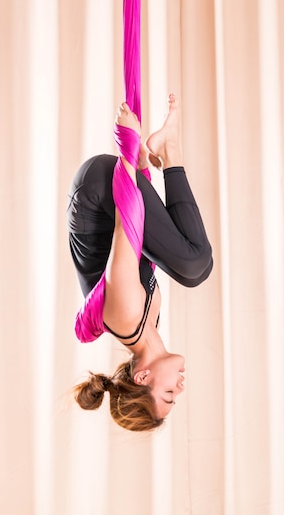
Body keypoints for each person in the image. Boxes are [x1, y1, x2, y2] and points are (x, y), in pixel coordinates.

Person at [67, 94, 213, 432]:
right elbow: (152, 244)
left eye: (168, 394)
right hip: (111, 200)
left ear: (142, 376)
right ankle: (168, 147)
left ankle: (170, 148)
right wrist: (144, 170)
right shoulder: (149, 321)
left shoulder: (126, 315)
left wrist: (129, 146)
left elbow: (127, 224)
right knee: (198, 267)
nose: (180, 388)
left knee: (193, 266)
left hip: (96, 190)